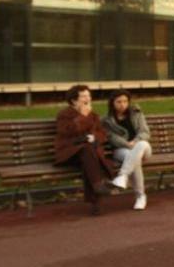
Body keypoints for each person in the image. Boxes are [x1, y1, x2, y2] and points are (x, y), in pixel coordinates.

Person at [54, 84, 116, 216]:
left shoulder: (93, 115)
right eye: (83, 96)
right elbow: (67, 132)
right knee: (89, 154)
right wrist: (82, 116)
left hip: (88, 154)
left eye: (89, 95)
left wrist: (94, 137)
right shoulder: (64, 114)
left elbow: (102, 133)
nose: (87, 99)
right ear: (74, 100)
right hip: (70, 153)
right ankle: (98, 190)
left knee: (89, 159)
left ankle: (97, 196)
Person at [104, 89, 153, 211]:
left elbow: (145, 132)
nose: (122, 104)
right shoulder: (107, 120)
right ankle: (140, 196)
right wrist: (126, 144)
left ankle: (123, 176)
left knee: (141, 145)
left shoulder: (136, 113)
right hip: (121, 150)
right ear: (112, 103)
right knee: (133, 159)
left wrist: (135, 142)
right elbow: (111, 137)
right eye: (119, 102)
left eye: (125, 101)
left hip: (143, 148)